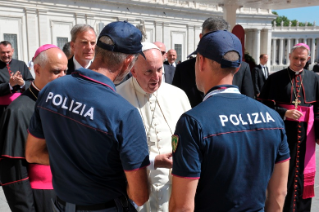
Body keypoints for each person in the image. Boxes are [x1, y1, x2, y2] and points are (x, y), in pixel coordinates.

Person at [25, 21, 150, 212]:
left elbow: (33, 153)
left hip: (62, 205)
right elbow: (139, 195)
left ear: (97, 50)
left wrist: (70, 165)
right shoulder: (124, 113)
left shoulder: (51, 89)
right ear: (128, 62)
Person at [169, 30, 290, 212]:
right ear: (238, 67)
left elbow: (182, 207)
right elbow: (279, 193)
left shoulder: (193, 122)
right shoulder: (272, 117)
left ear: (200, 61)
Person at [117, 42, 191, 212]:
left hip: (172, 189)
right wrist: (152, 161)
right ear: (133, 71)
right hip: (134, 192)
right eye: (149, 71)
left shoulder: (178, 95)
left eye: (159, 70)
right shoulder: (117, 97)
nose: (156, 77)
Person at [0, 44, 67, 212]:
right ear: (37, 70)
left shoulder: (65, 104)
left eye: (65, 71)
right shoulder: (18, 111)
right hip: (42, 196)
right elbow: (13, 175)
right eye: (56, 71)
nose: (63, 77)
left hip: (70, 193)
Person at [259, 43, 319, 212]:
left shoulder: (314, 79)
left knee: (302, 177)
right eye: (295, 58)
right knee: (282, 176)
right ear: (289, 56)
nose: (298, 62)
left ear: (308, 60)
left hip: (306, 138)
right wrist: (285, 113)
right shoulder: (275, 78)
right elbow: (263, 106)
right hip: (282, 135)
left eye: (302, 59)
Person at [172, 17, 254, 108]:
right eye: (210, 39)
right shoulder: (182, 69)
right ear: (201, 37)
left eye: (221, 40)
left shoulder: (243, 68)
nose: (214, 46)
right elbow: (175, 105)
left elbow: (248, 105)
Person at [0, 41, 34, 118]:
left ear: (12, 51)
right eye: (3, 53)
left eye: (8, 52)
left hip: (23, 107)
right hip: (3, 110)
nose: (6, 55)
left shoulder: (21, 64)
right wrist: (9, 85)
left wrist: (23, 83)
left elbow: (32, 83)